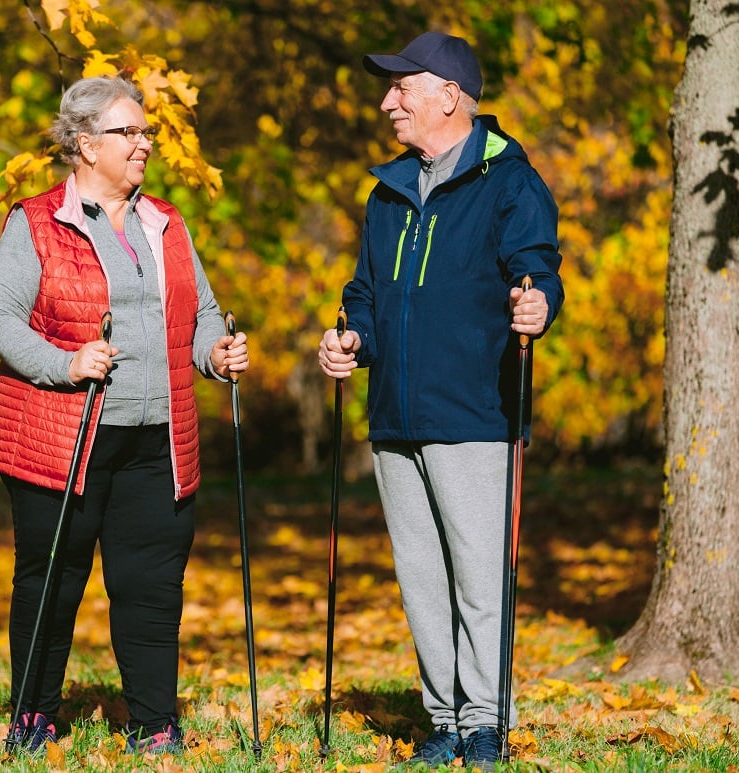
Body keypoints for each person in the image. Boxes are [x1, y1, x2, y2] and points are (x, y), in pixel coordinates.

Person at [0, 75, 249, 756]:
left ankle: (154, 722)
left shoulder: (167, 221)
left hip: (158, 436)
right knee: (53, 579)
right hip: (60, 433)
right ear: (82, 143)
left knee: (152, 584)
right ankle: (33, 715)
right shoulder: (36, 220)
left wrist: (216, 353)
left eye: (146, 131)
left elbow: (199, 315)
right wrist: (64, 363)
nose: (144, 144)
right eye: (128, 132)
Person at [317, 31, 564, 771]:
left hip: (475, 412)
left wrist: (539, 305)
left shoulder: (509, 182)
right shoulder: (388, 191)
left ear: (448, 96)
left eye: (403, 87)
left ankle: (487, 723)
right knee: (422, 577)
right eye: (390, 88)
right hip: (394, 414)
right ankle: (446, 719)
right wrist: (349, 337)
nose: (389, 100)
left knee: (479, 576)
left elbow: (536, 269)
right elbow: (363, 293)